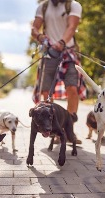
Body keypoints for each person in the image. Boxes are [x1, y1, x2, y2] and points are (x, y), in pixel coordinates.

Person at [31, 0, 83, 144]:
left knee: (72, 88)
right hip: (49, 55)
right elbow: (34, 28)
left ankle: (69, 130)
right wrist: (40, 36)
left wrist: (61, 42)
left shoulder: (73, 5)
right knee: (46, 93)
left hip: (68, 52)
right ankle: (54, 130)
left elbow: (72, 27)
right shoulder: (43, 7)